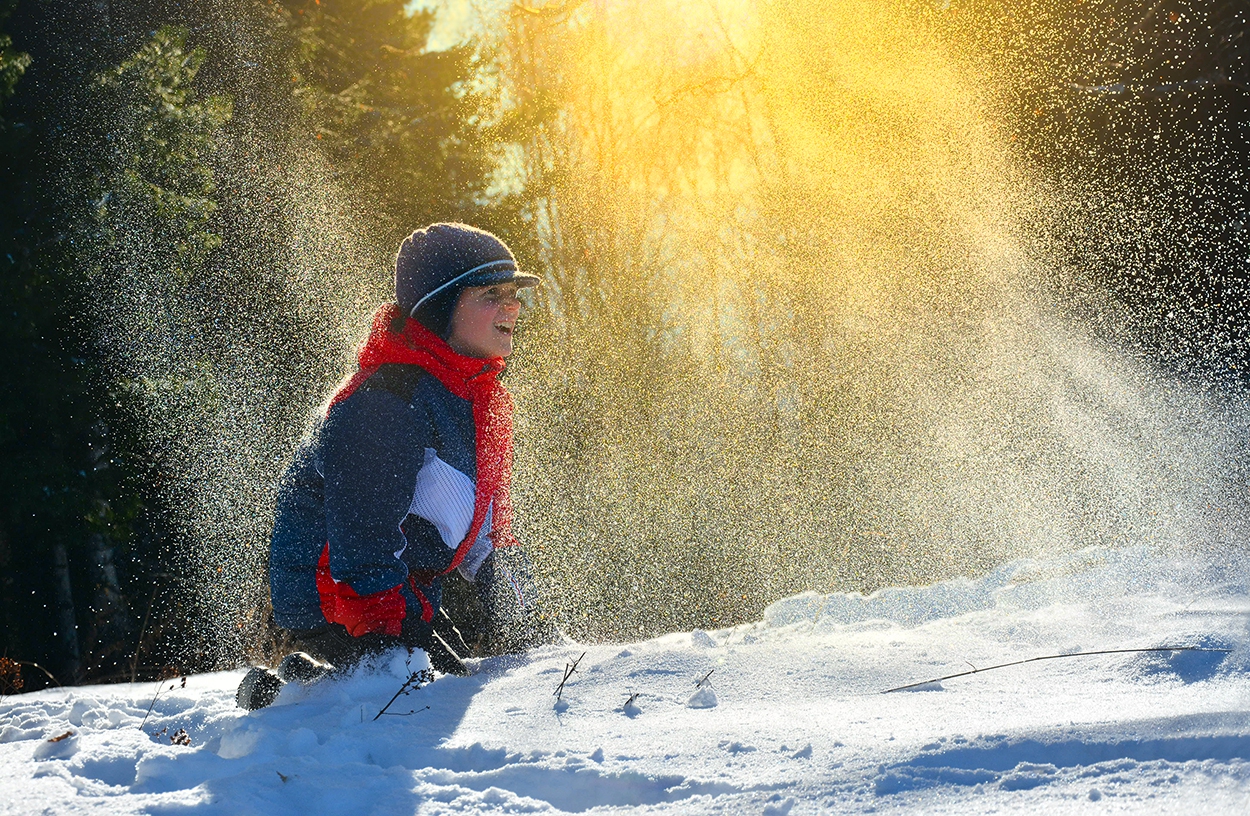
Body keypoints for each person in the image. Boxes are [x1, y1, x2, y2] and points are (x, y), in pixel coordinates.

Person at [238, 223, 556, 710]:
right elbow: (360, 541)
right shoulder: (385, 403)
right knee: (404, 700)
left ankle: (320, 684)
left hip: (399, 591)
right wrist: (392, 635)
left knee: (451, 688)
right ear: (440, 306)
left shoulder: (481, 403)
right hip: (339, 600)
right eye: (492, 294)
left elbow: (488, 535)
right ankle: (295, 696)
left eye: (514, 294)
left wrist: (534, 629)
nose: (512, 307)